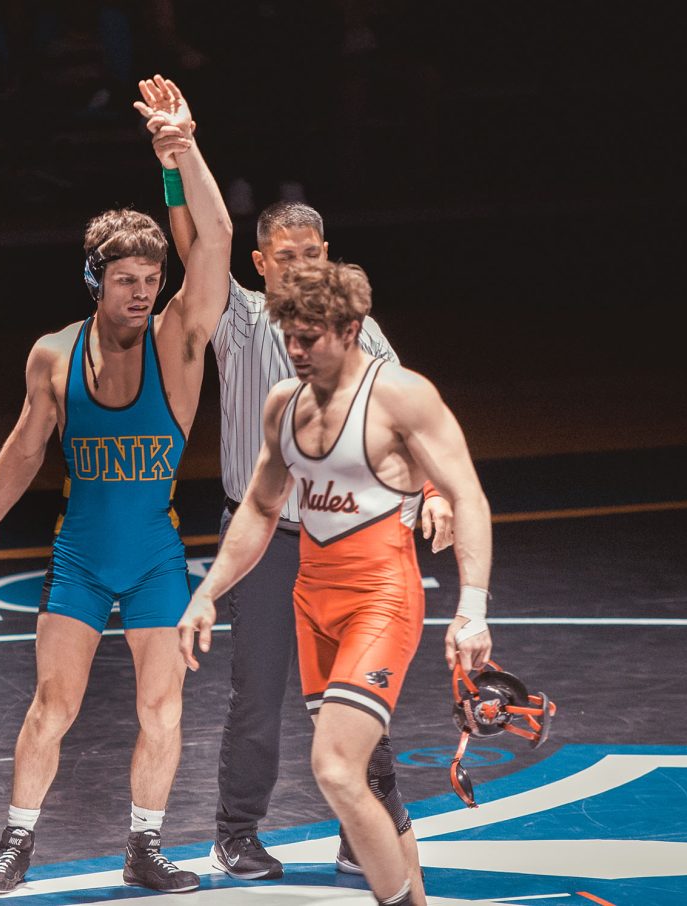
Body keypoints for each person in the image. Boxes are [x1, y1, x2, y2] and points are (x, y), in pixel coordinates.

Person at [146, 119, 450, 892]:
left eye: (314, 255)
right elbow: (198, 245)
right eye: (287, 257)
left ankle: (363, 837)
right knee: (259, 693)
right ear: (260, 264)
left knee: (359, 699)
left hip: (352, 538)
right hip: (267, 537)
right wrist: (178, 160)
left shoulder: (360, 331)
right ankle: (235, 835)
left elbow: (411, 422)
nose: (303, 267)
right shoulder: (239, 320)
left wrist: (439, 488)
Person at [0, 75, 230, 895]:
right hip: (78, 555)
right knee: (53, 707)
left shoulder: (180, 339)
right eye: (127, 281)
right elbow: (22, 447)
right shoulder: (53, 353)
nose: (145, 291)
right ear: (95, 280)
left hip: (154, 554)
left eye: (152, 278)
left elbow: (213, 242)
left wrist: (182, 152)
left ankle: (145, 846)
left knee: (163, 712)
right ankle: (16, 842)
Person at [178, 258, 493, 906]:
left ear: (351, 330)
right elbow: (261, 510)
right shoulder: (283, 406)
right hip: (312, 604)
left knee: (333, 768)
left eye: (309, 339)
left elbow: (469, 494)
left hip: (381, 598)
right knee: (370, 781)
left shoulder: (401, 396)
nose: (294, 351)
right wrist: (207, 593)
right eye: (288, 337)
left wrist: (473, 608)